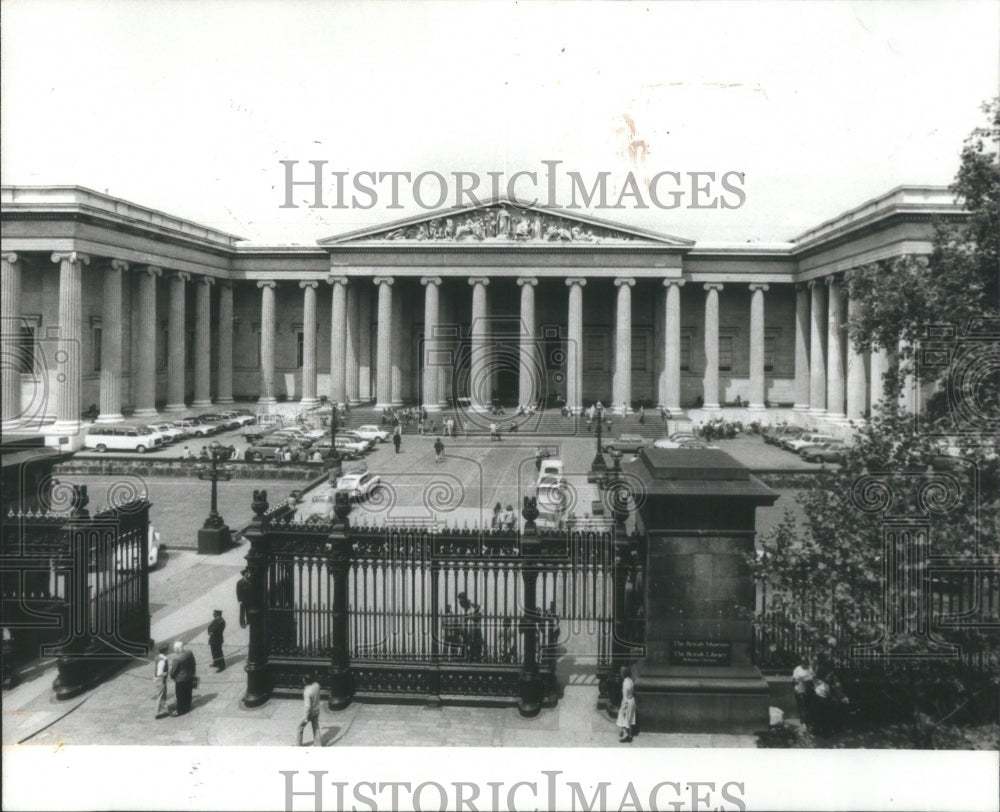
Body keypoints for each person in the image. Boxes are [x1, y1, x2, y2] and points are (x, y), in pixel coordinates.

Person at [168, 640, 196, 716]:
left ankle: (180, 710)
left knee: (180, 695)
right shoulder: (189, 652)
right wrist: (193, 673)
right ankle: (187, 707)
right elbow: (193, 663)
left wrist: (172, 676)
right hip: (189, 676)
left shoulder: (177, 659)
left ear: (177, 649)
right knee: (188, 693)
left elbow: (173, 671)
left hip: (180, 679)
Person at [297, 674, 322, 746]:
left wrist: (305, 718)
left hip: (310, 713)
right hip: (317, 711)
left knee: (300, 727)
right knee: (316, 727)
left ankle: (298, 745)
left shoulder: (307, 692)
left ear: (305, 681)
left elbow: (307, 706)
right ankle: (318, 745)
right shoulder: (317, 685)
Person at [791, 657, 815, 726]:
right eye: (804, 664)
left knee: (809, 705)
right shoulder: (797, 669)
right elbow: (794, 680)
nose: (805, 665)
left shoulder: (810, 668)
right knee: (802, 705)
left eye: (806, 664)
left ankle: (808, 721)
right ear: (801, 663)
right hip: (800, 688)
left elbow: (812, 677)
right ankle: (803, 721)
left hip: (808, 688)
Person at [617, 666, 636, 742]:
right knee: (629, 719)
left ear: (622, 674)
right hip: (632, 701)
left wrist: (623, 708)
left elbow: (625, 697)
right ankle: (629, 735)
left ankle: (627, 736)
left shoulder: (625, 684)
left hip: (627, 702)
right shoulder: (630, 681)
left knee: (625, 719)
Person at [154, 643, 170, 718]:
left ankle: (165, 710)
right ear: (165, 651)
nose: (168, 651)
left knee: (163, 695)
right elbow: (160, 673)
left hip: (157, 679)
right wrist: (166, 673)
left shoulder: (158, 657)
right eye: (167, 650)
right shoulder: (162, 660)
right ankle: (158, 713)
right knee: (160, 696)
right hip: (161, 679)